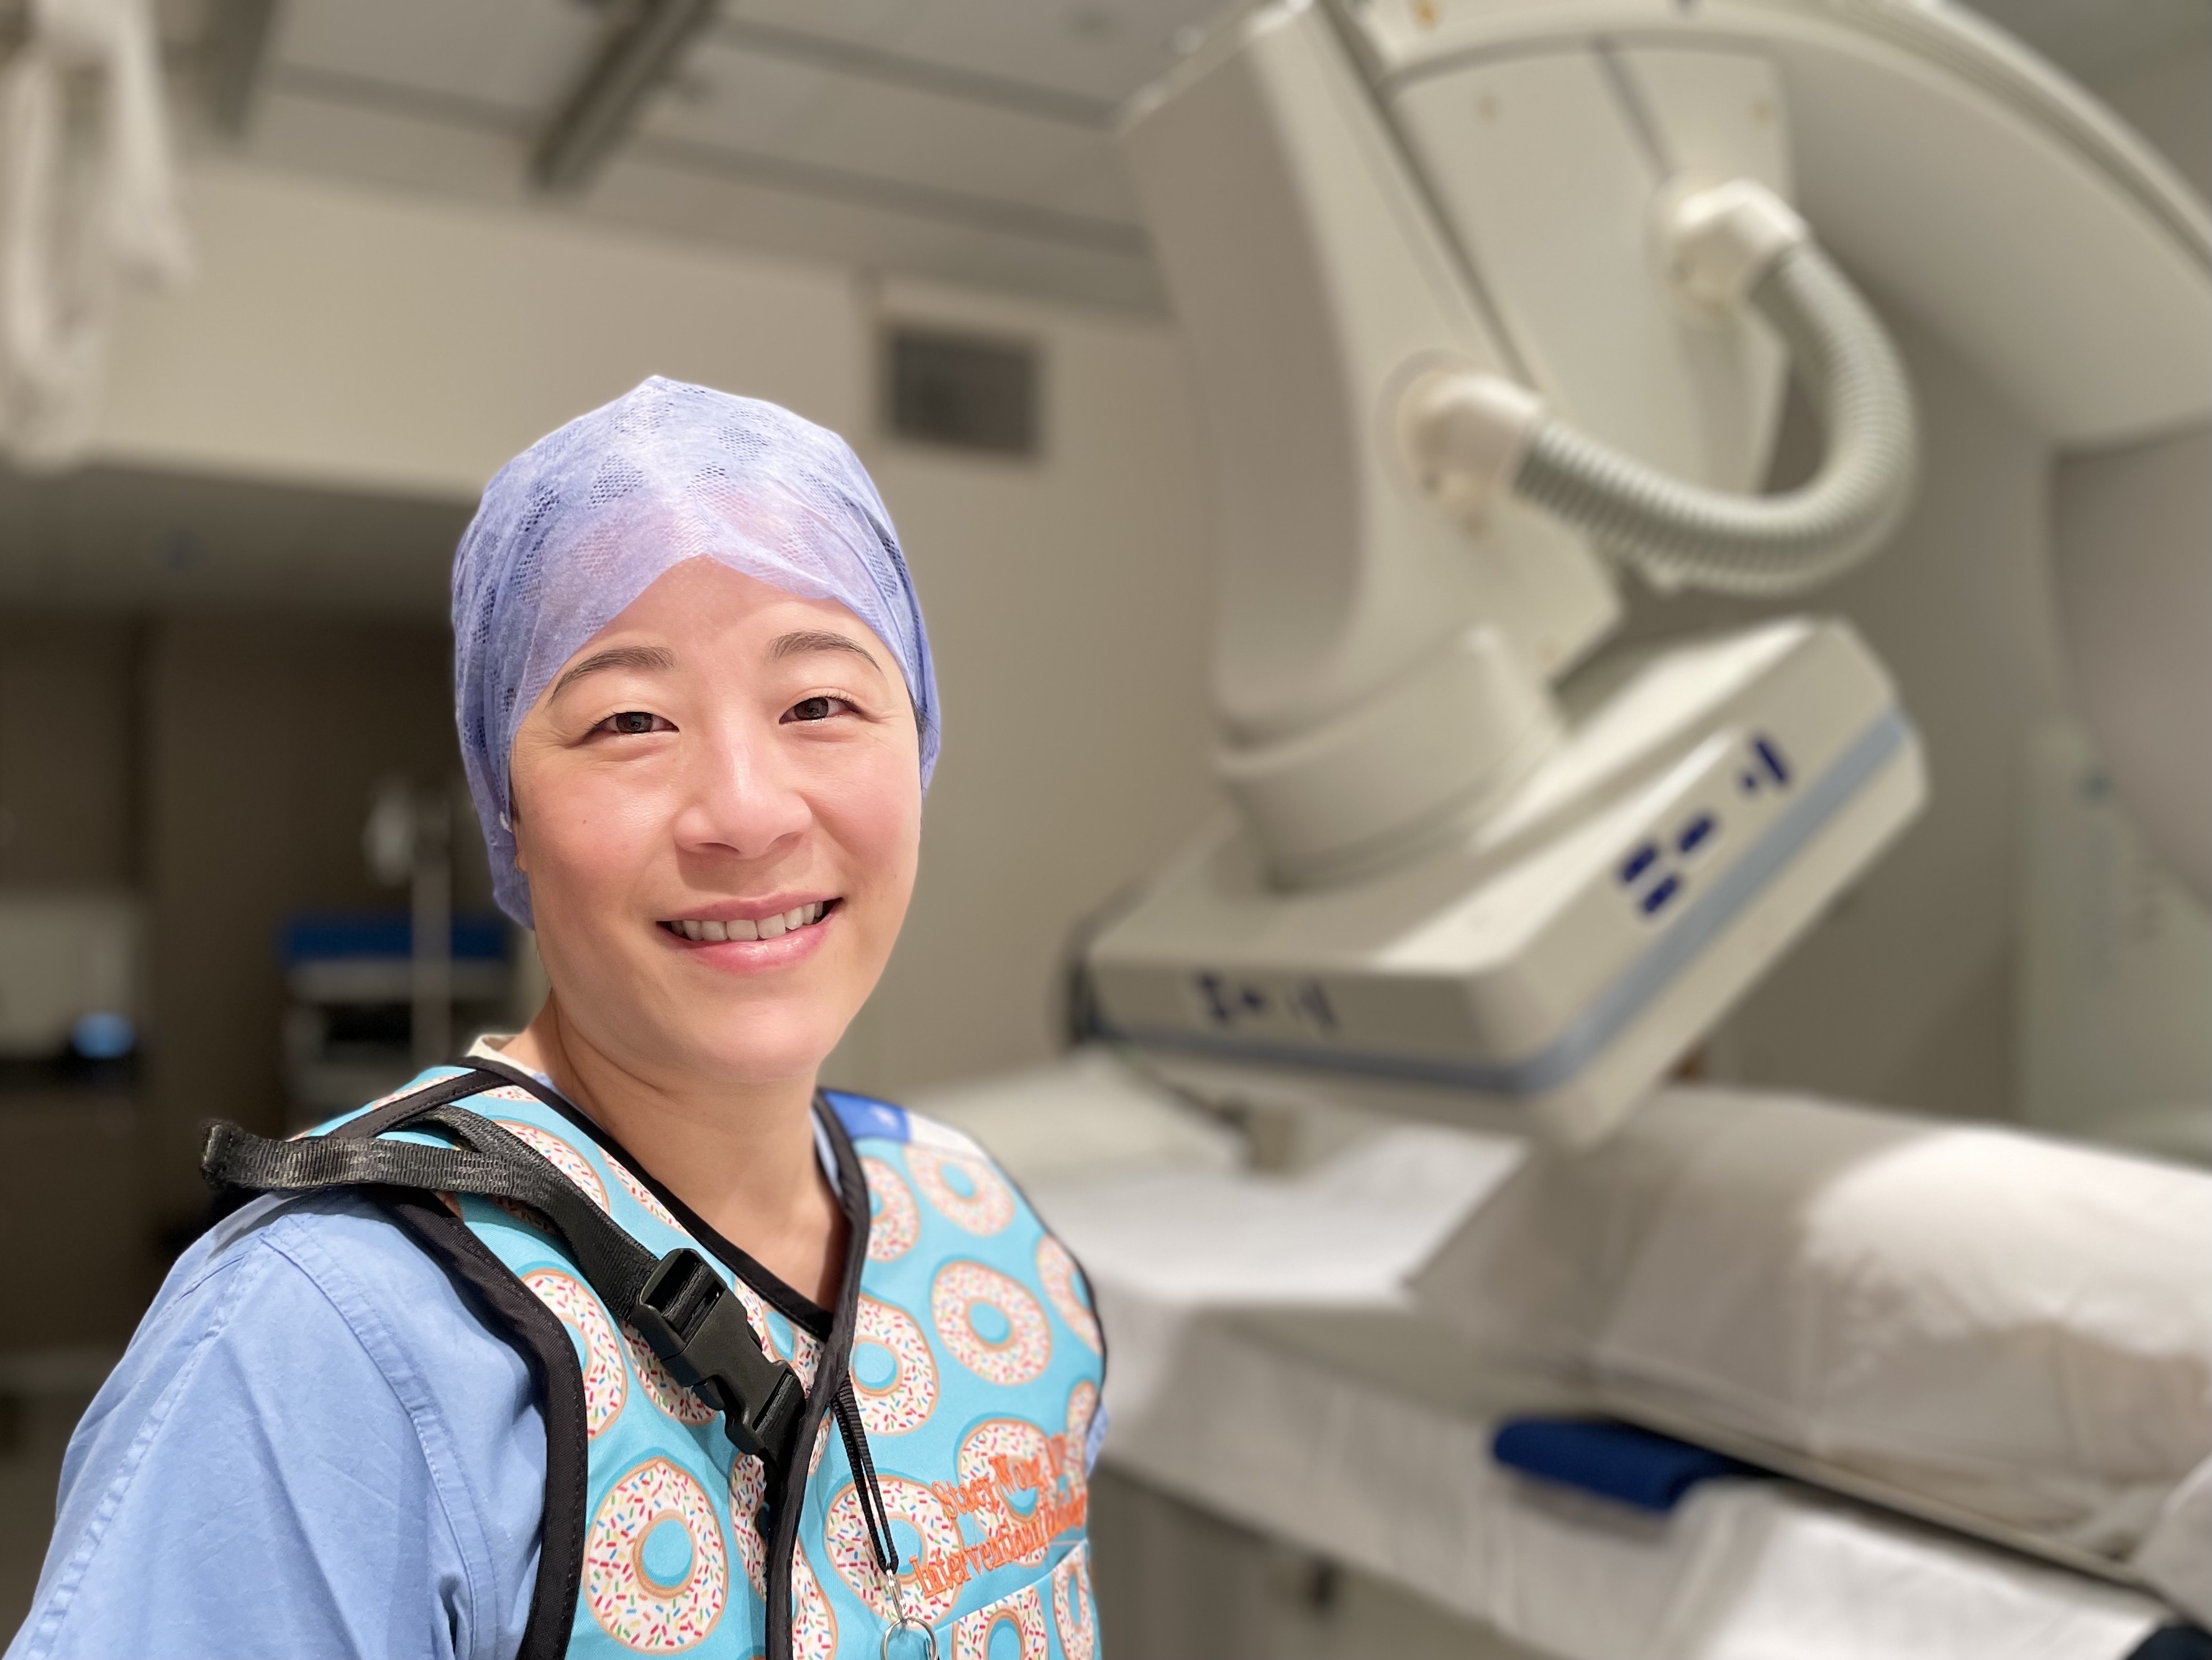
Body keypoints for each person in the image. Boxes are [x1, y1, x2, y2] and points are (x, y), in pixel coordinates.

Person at [5, 378, 1106, 1660]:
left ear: (917, 745)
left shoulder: (990, 1243)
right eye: (629, 721)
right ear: (506, 815)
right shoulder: (329, 1343)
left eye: (819, 703)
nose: (744, 812)